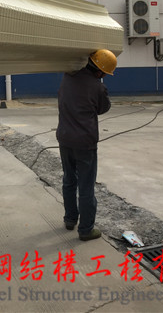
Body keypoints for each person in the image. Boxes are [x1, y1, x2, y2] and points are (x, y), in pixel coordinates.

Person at [56, 49, 117, 241]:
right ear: (99, 71)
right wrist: (100, 87)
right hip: (85, 143)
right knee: (86, 186)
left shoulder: (67, 77)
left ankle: (70, 219)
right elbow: (103, 108)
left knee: (69, 179)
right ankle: (86, 230)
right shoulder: (97, 87)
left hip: (65, 139)